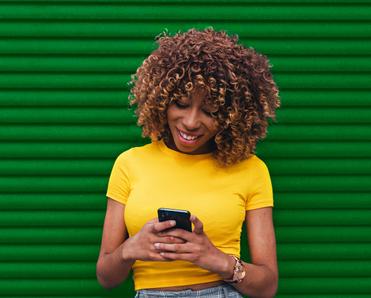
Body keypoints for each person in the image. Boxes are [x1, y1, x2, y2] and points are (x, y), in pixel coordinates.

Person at [96, 27, 280, 298]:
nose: (192, 122)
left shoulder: (251, 169)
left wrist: (217, 260)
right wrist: (128, 250)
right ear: (162, 101)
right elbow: (106, 277)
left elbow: (267, 286)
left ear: (232, 114)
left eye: (209, 110)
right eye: (181, 104)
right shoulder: (129, 163)